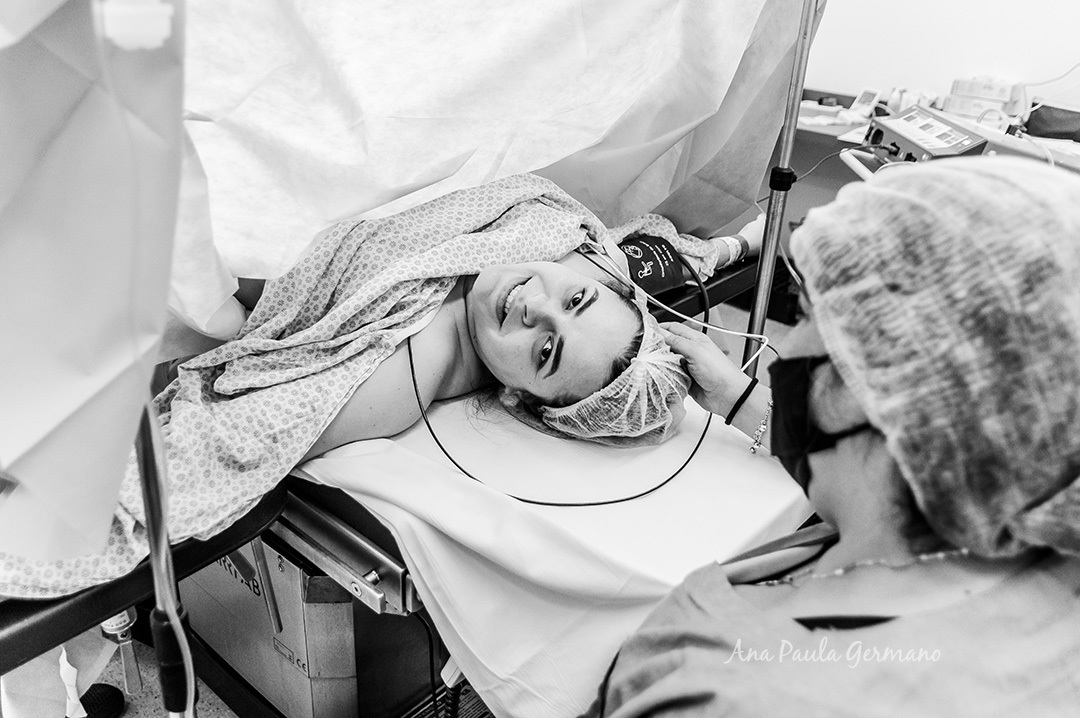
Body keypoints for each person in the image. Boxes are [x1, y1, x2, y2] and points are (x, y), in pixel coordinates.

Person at [0, 172, 762, 601]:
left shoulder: (403, 370)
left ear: (519, 398)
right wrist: (731, 249)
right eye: (577, 300)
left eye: (544, 351)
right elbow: (654, 254)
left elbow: (208, 460)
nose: (536, 305)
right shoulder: (594, 258)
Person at [582, 155, 1080, 717]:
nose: (784, 350)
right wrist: (738, 399)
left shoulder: (733, 692)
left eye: (803, 317)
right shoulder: (1033, 542)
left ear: (876, 380)